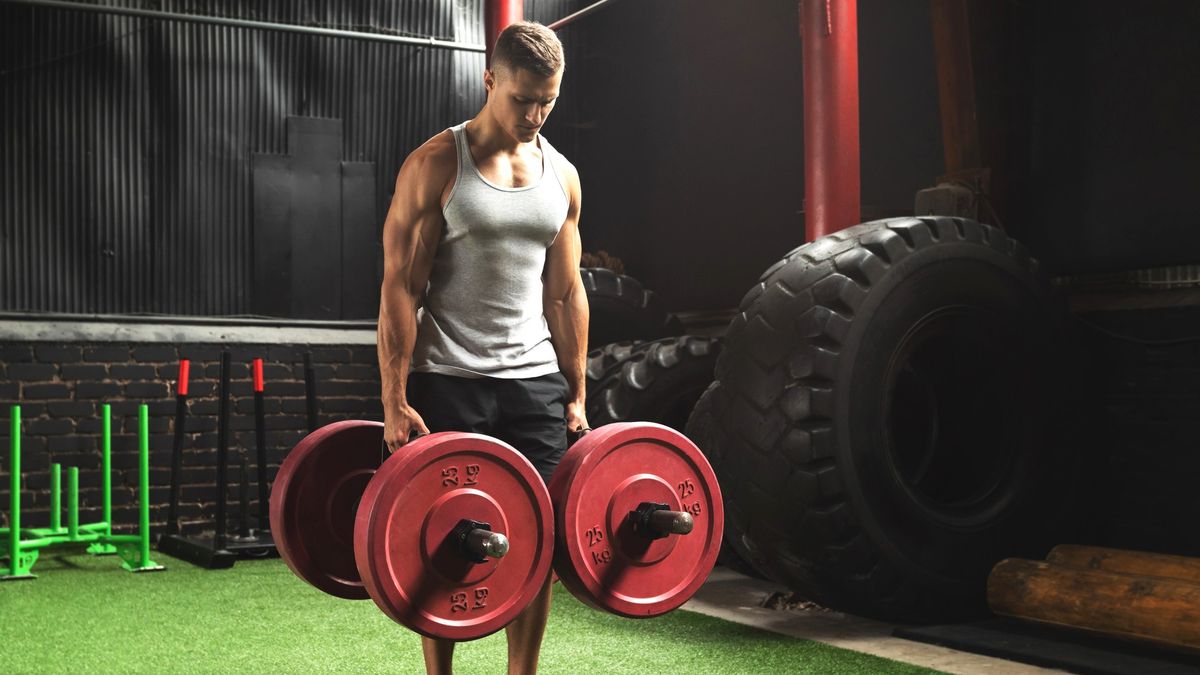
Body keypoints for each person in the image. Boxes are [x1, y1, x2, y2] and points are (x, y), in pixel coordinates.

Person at [375, 20, 587, 675]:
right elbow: (400, 289)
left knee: (539, 541)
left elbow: (566, 292)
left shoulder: (563, 176)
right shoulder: (438, 164)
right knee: (445, 540)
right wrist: (393, 398)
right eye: (522, 98)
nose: (534, 113)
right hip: (450, 378)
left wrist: (577, 389)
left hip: (533, 382)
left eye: (547, 100)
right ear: (490, 80)